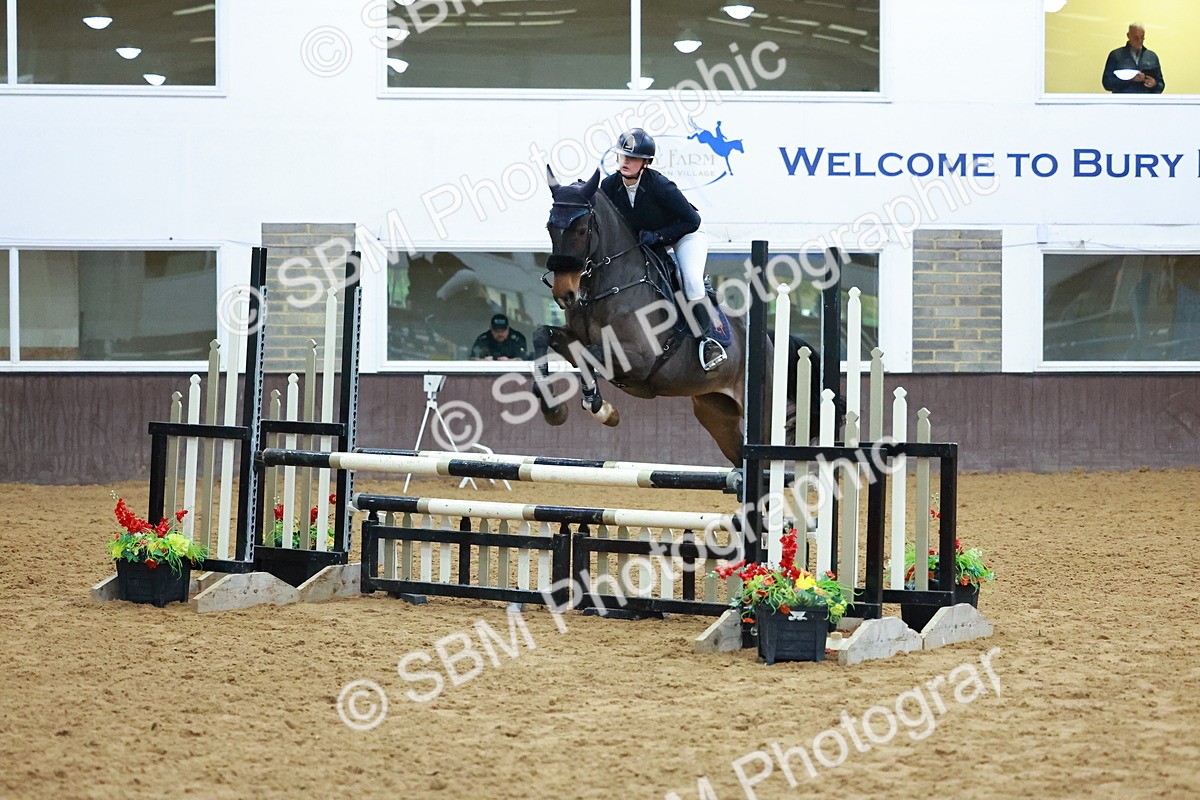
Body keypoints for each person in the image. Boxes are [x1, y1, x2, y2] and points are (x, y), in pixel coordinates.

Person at [599, 128, 727, 371]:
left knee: (689, 279)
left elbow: (692, 221)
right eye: (623, 156)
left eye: (633, 158)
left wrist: (659, 236)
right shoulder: (609, 186)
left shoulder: (660, 185)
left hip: (685, 233)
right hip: (649, 240)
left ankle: (707, 341)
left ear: (645, 163)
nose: (626, 161)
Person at [1102, 23, 1164, 94]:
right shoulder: (1116, 56)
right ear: (1128, 36)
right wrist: (1130, 79)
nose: (1139, 41)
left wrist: (1154, 84)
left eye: (1142, 37)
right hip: (1123, 99)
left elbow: (1161, 85)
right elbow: (1107, 83)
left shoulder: (1152, 57)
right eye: (1136, 38)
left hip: (1145, 99)